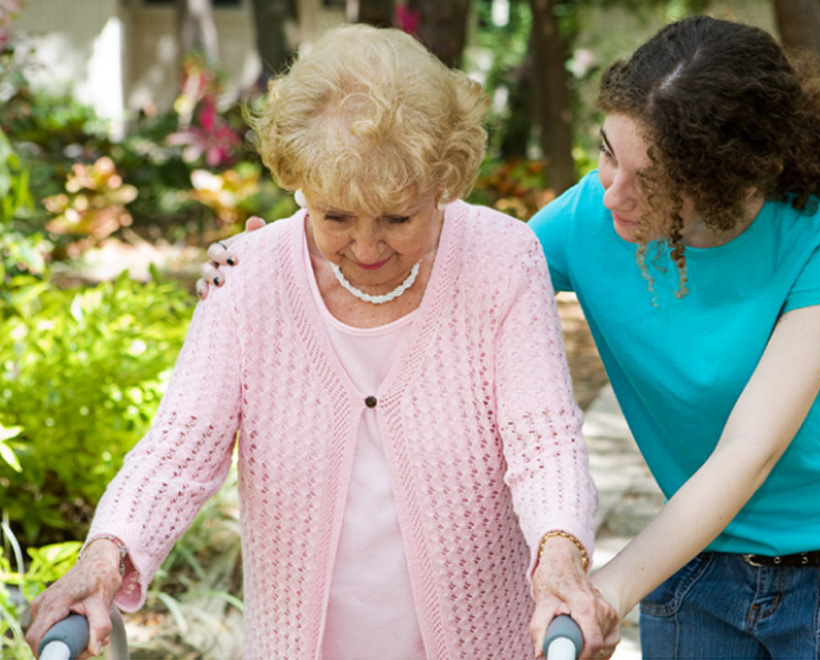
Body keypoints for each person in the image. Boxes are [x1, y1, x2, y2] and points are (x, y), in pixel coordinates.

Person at [199, 15, 820, 660]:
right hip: (694, 554)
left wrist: (603, 590)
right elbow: (466, 271)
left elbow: (749, 452)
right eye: (607, 154)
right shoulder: (595, 214)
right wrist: (286, 270)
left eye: (649, 179)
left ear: (724, 181)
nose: (612, 190)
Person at [26, 24, 621, 660]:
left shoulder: (503, 258)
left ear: (445, 182)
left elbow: (543, 438)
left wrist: (561, 556)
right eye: (335, 216)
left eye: (398, 218)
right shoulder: (246, 278)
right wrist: (103, 558)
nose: (367, 249)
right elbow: (177, 453)